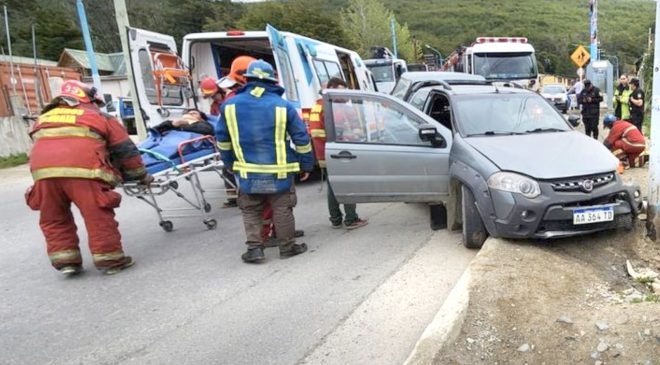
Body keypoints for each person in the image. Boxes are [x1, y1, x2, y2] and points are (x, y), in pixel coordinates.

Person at [26, 80, 151, 276]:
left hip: (43, 174)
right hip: (84, 172)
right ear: (88, 98)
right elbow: (125, 151)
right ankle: (110, 260)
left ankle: (66, 261)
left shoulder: (43, 117)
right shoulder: (98, 116)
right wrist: (140, 176)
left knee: (54, 218)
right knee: (97, 216)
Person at [216, 60, 314, 263]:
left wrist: (229, 163)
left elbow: (223, 141)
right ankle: (287, 247)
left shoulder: (229, 106)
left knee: (251, 210)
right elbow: (301, 139)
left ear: (247, 79)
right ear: (272, 80)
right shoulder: (283, 106)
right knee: (282, 209)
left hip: (246, 171)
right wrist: (306, 165)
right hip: (280, 173)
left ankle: (255, 249)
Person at [309, 77, 368, 230]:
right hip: (334, 152)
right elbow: (315, 132)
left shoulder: (338, 106)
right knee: (346, 184)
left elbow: (356, 126)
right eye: (342, 91)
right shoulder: (322, 107)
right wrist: (340, 136)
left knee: (333, 186)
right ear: (333, 88)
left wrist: (354, 135)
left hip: (335, 150)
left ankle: (336, 219)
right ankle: (351, 219)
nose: (345, 95)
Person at [217, 56, 256, 209]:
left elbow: (222, 136)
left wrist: (228, 162)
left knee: (253, 207)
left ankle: (264, 231)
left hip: (241, 156)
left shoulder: (230, 101)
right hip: (258, 157)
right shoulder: (272, 99)